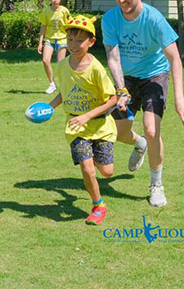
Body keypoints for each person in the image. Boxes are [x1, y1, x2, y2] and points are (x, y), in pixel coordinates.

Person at [101, 0, 184, 207]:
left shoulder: (154, 19)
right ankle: (139, 144)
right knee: (118, 133)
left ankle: (156, 185)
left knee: (152, 130)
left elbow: (175, 59)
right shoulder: (109, 19)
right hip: (127, 78)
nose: (121, 0)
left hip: (154, 76)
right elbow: (113, 57)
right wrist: (121, 90)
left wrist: (179, 98)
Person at [48, 15, 117, 225]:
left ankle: (95, 159)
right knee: (87, 168)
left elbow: (112, 99)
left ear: (91, 42)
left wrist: (87, 115)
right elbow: (65, 92)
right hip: (75, 127)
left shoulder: (96, 68)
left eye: (79, 40)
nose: (74, 45)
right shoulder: (61, 66)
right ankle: (98, 204)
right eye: (70, 40)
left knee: (106, 171)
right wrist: (49, 107)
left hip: (100, 126)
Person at [37, 0, 72, 94]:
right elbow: (43, 26)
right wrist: (40, 42)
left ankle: (64, 85)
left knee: (61, 64)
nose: (55, 0)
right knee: (45, 60)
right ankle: (52, 83)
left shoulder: (64, 11)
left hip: (62, 40)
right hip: (49, 40)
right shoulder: (46, 11)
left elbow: (70, 26)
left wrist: (70, 40)